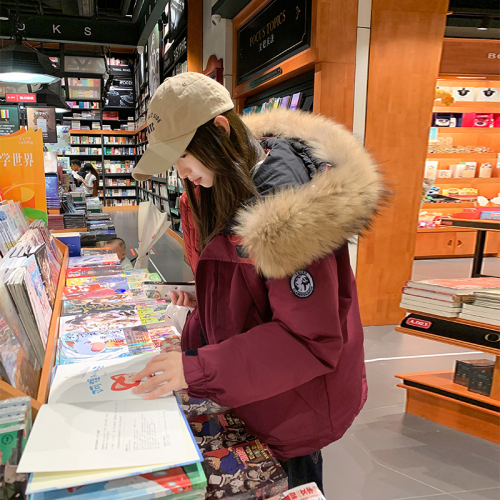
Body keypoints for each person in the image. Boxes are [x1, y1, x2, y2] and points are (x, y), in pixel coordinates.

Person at [130, 73, 382, 491]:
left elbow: (308, 339)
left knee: (297, 480)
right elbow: (257, 292)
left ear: (220, 131)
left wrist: (196, 367)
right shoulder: (231, 189)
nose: (180, 171)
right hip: (260, 392)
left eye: (182, 155)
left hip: (295, 406)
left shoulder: (287, 211)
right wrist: (205, 303)